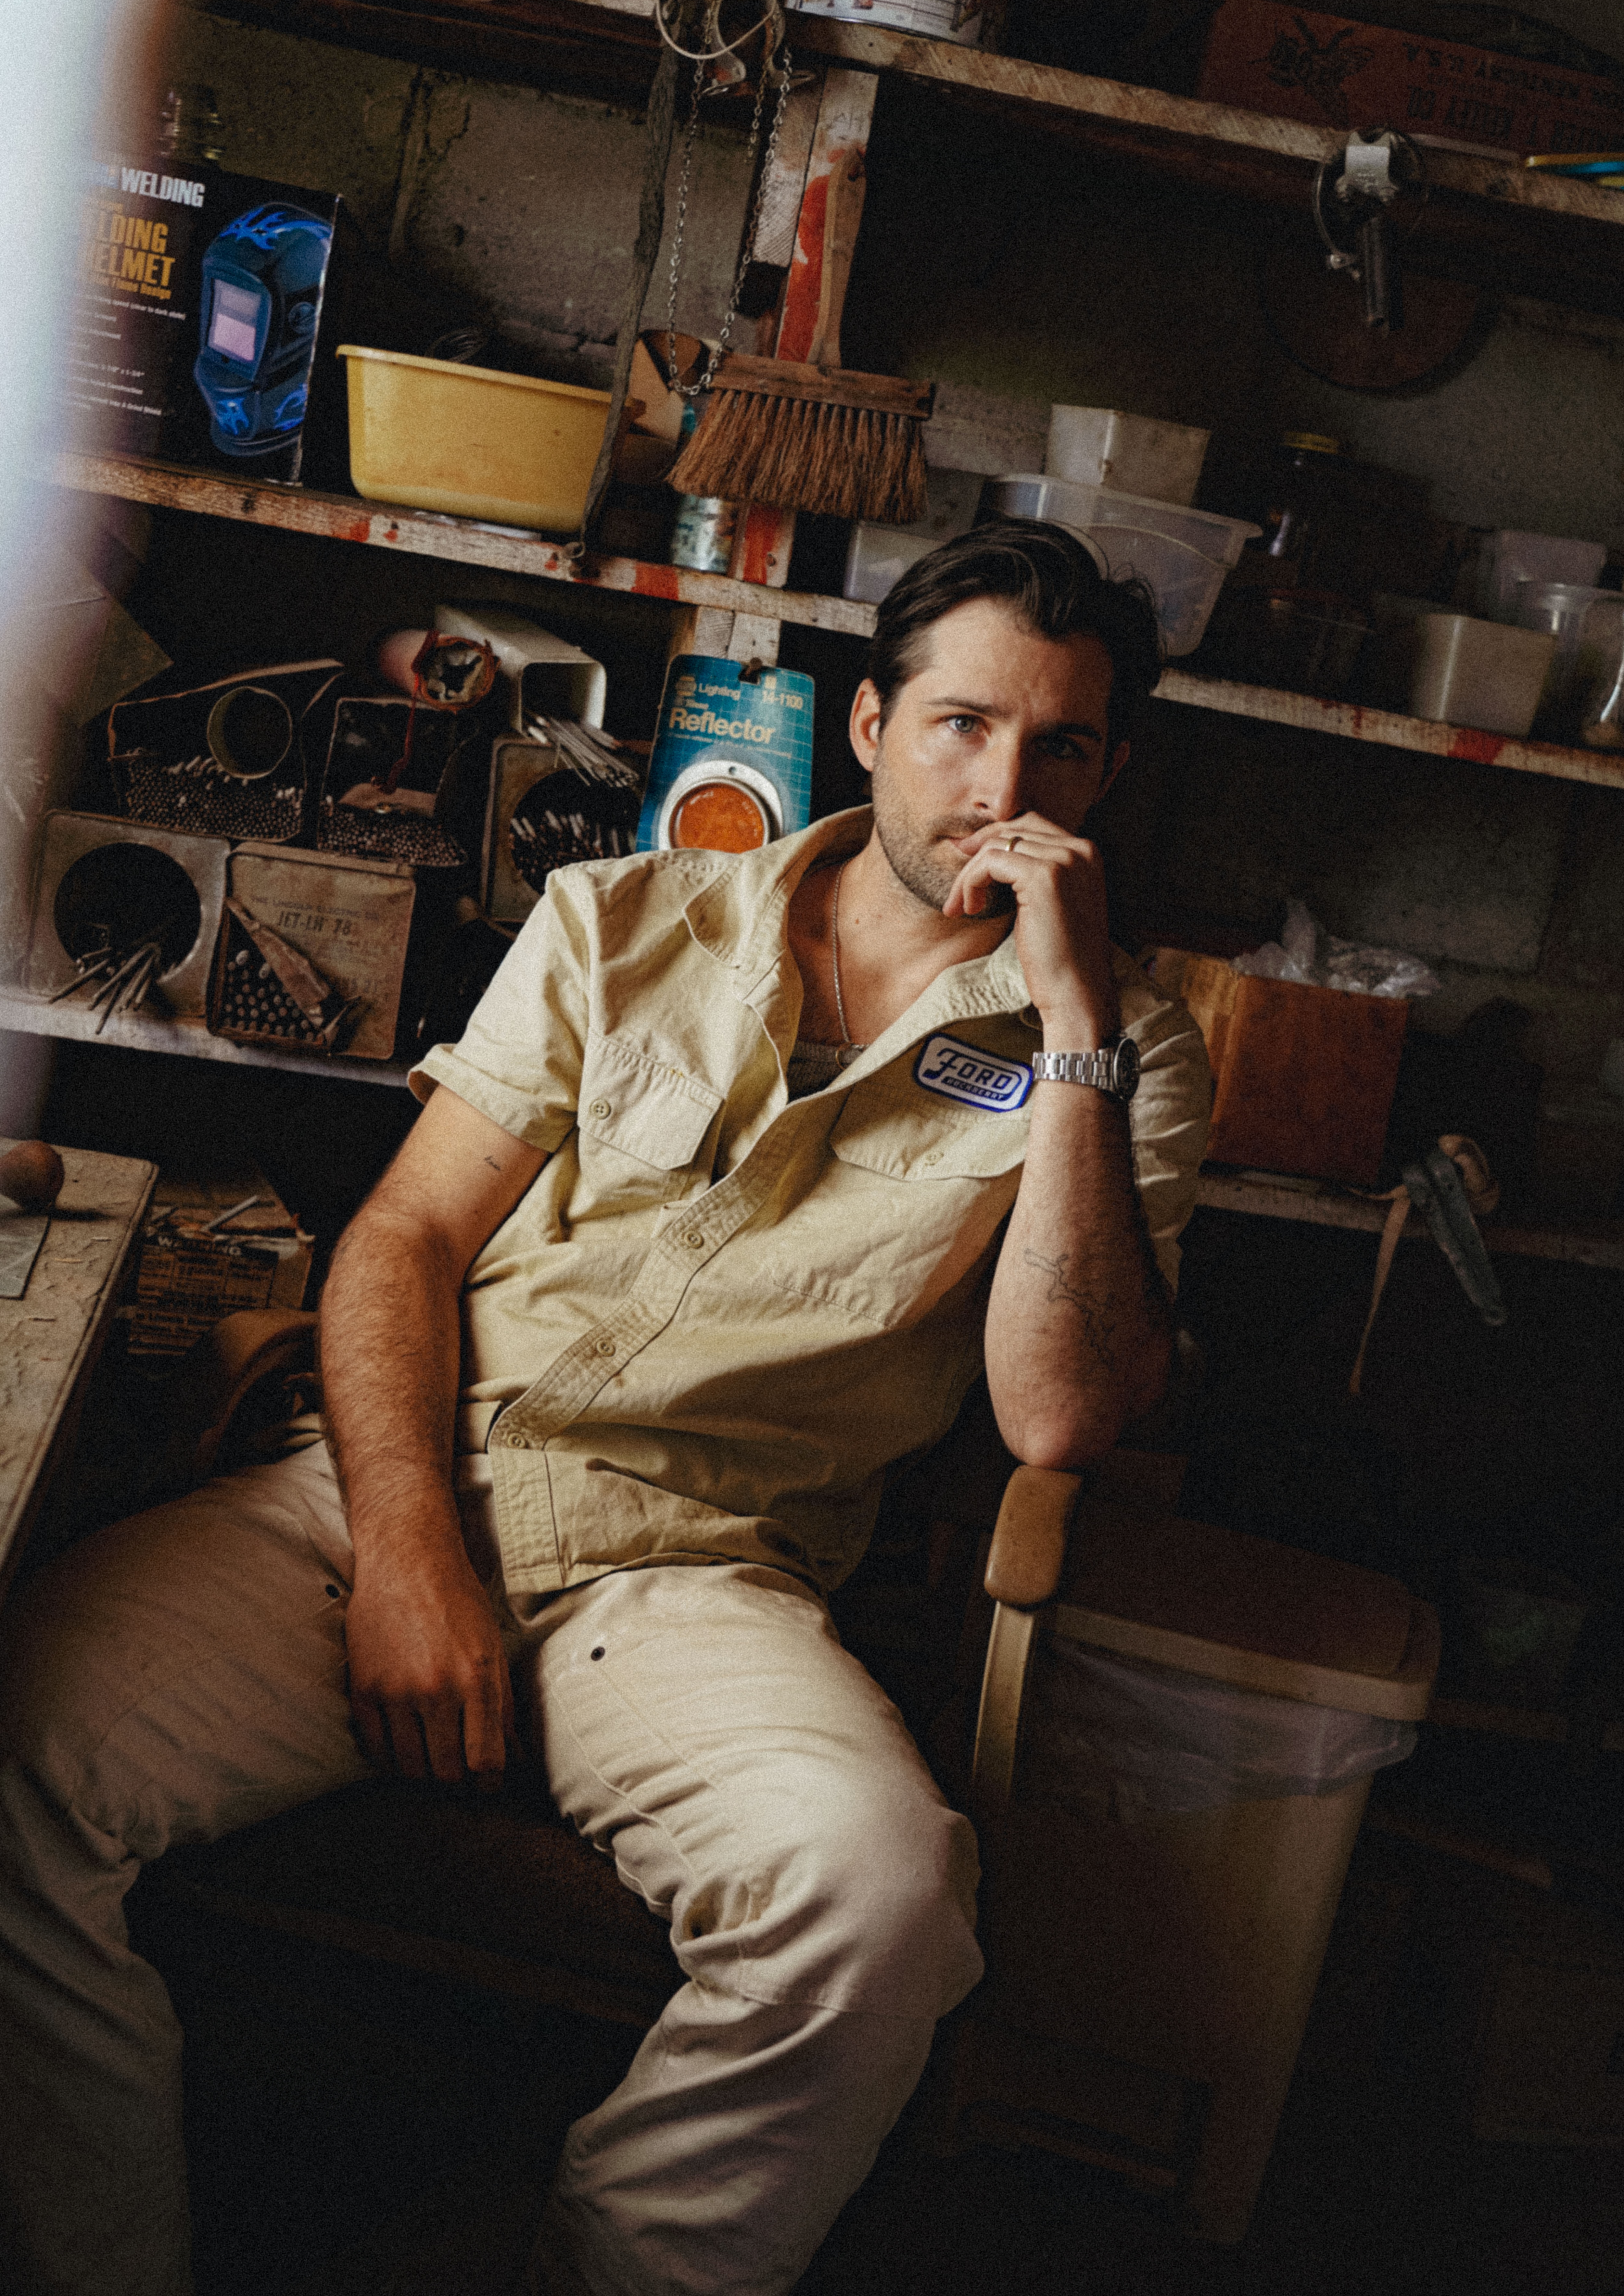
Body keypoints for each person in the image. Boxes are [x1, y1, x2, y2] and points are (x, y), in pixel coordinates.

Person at [0, 519, 1212, 2296]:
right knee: (15, 1749)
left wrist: (1076, 1021)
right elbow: (403, 1238)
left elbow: (1060, 1417)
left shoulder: (1124, 1048)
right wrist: (408, 1546)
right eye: (961, 723)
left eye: (1062, 748)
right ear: (866, 722)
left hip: (696, 1581)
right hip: (388, 1493)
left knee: (884, 1911)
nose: (1002, 786)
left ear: (1112, 774)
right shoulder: (623, 918)